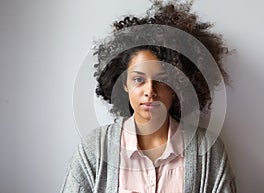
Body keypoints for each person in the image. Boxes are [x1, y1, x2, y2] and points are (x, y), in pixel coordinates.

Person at [61, 1, 236, 192]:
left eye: (162, 79)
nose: (150, 91)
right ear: (124, 84)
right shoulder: (93, 150)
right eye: (138, 79)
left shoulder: (210, 153)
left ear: (177, 85)